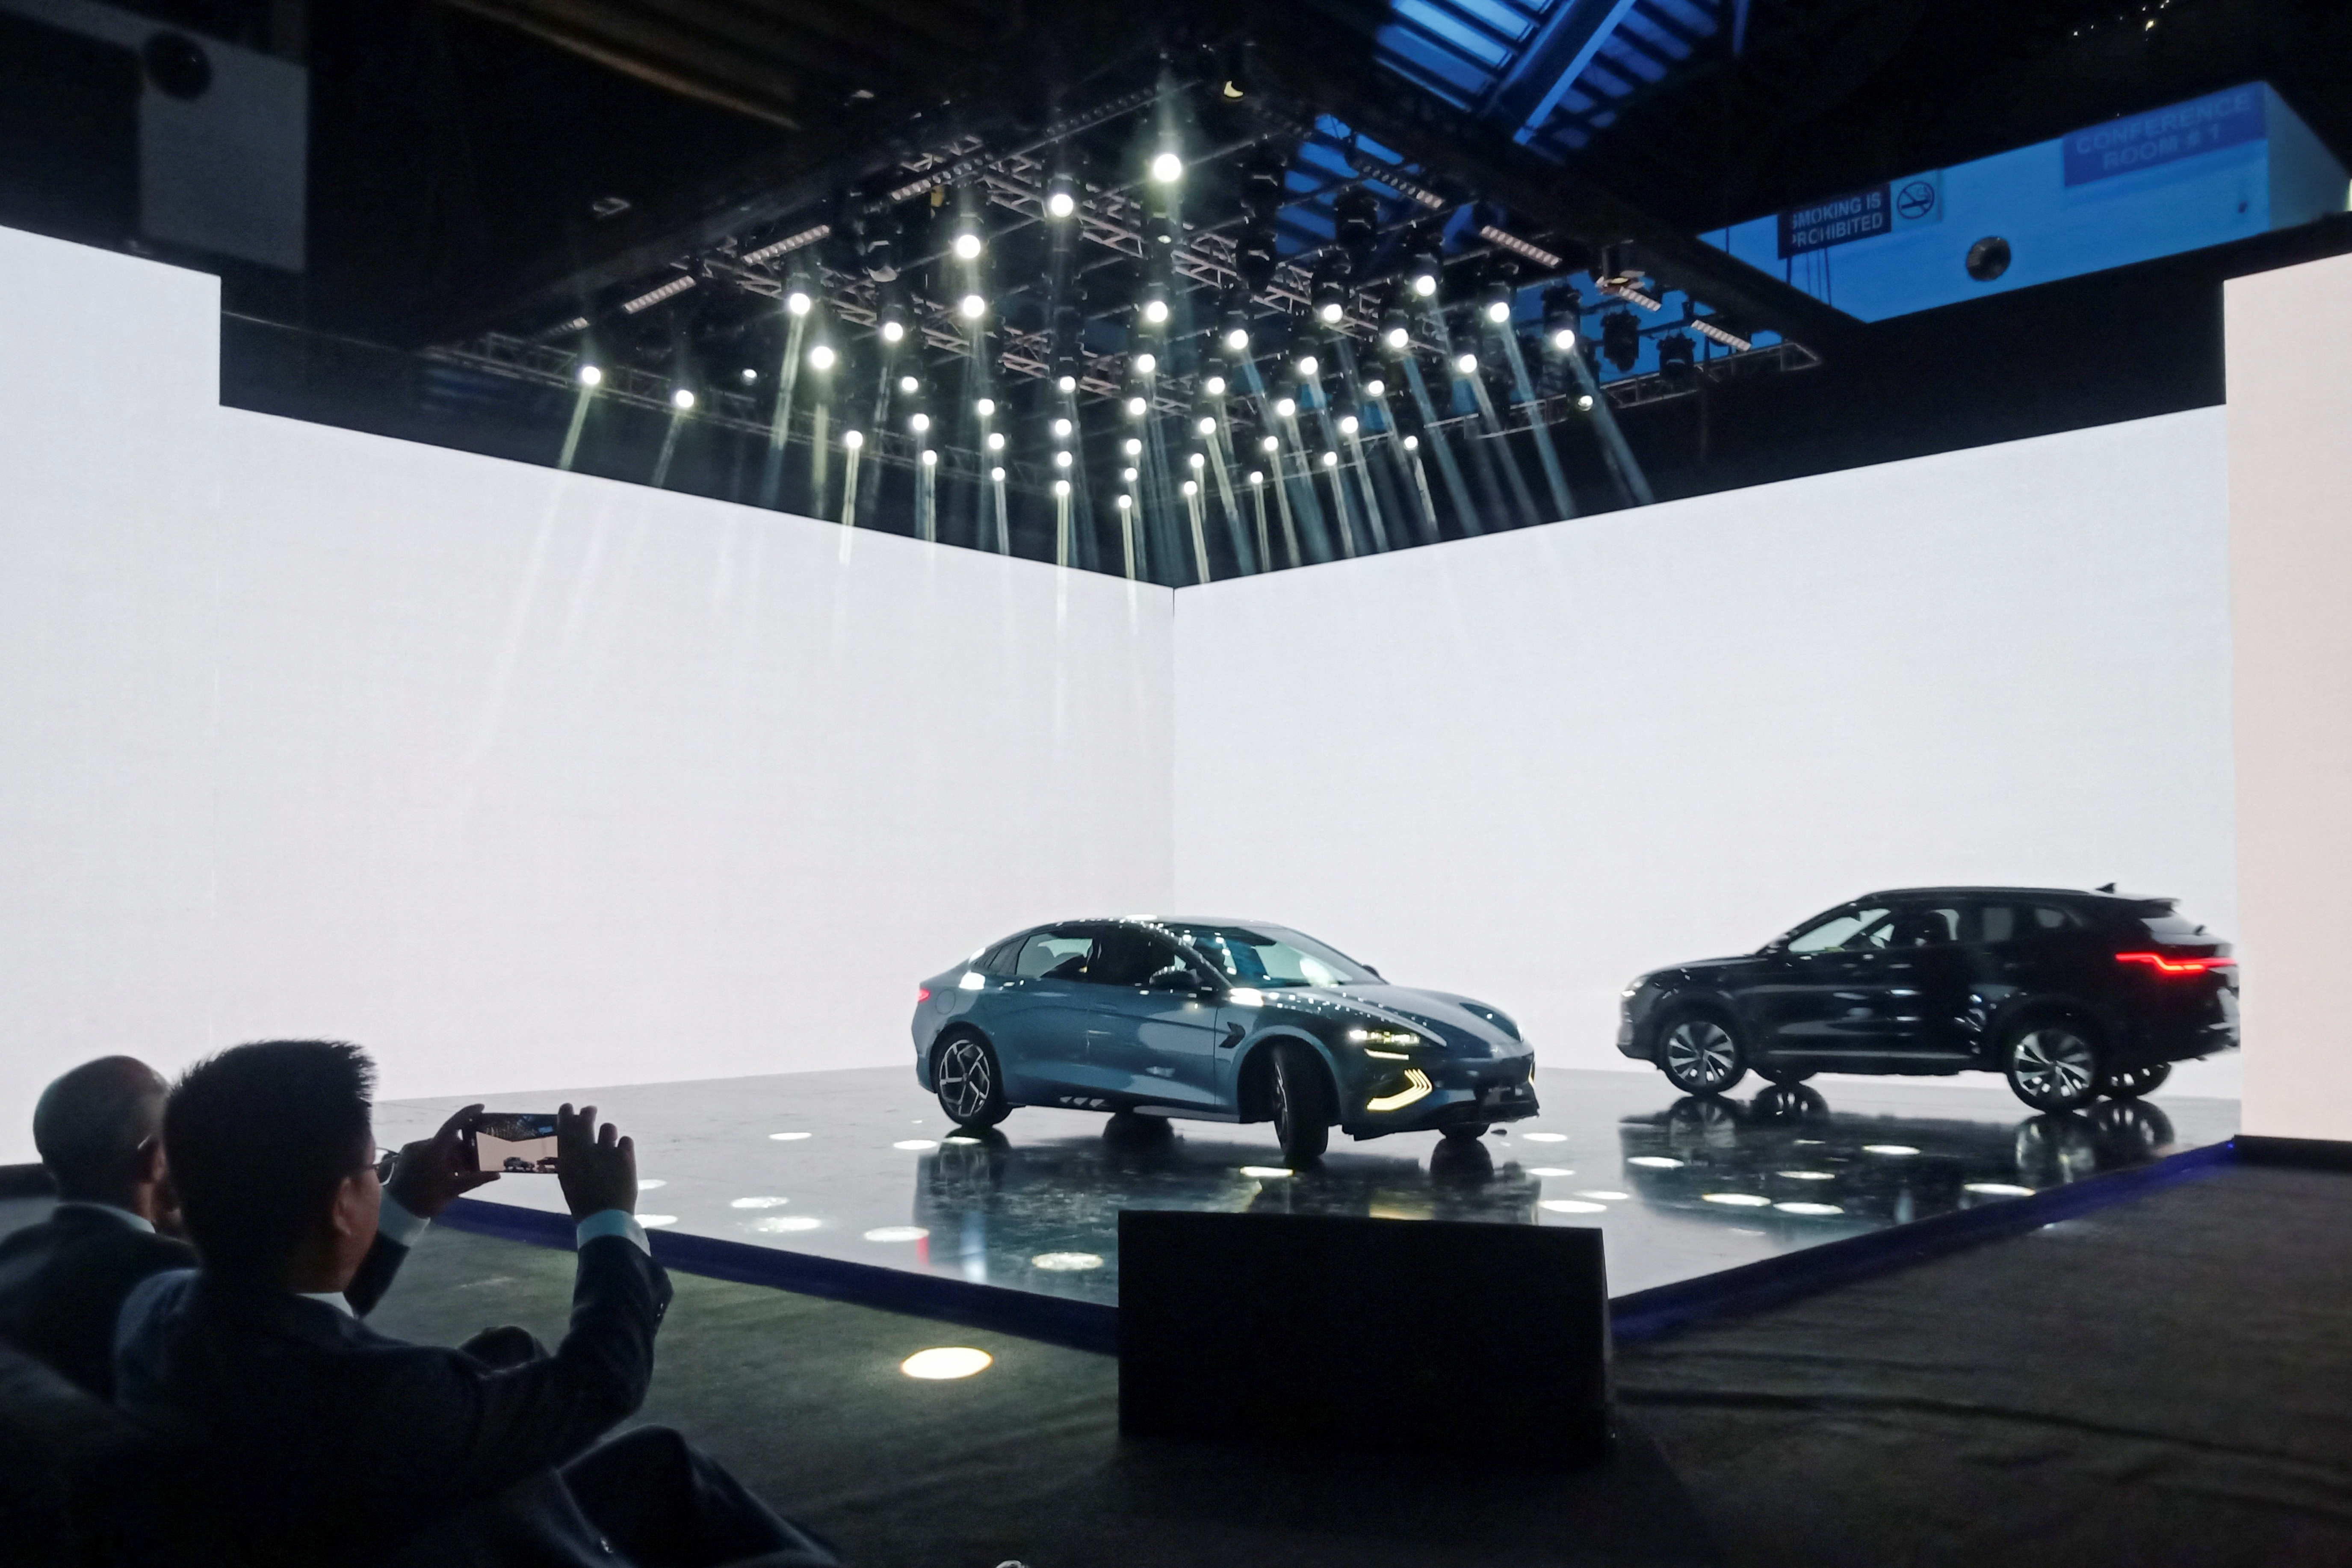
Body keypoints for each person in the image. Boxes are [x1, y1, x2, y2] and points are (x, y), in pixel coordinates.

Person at [115, 1039, 836, 1568]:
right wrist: (607, 1220)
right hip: (453, 1534)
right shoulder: (393, 1400)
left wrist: (409, 1199)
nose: (380, 1176)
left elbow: (312, 1314)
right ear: (342, 1204)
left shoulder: (161, 1312)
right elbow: (601, 1380)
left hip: (392, 1519)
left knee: (666, 1464)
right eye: (373, 1168)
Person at [0, 1054, 489, 1400]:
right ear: (156, 1160)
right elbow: (306, 1331)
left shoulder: (17, 1253)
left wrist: (407, 1202)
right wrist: (402, 1202)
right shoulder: (167, 1280)